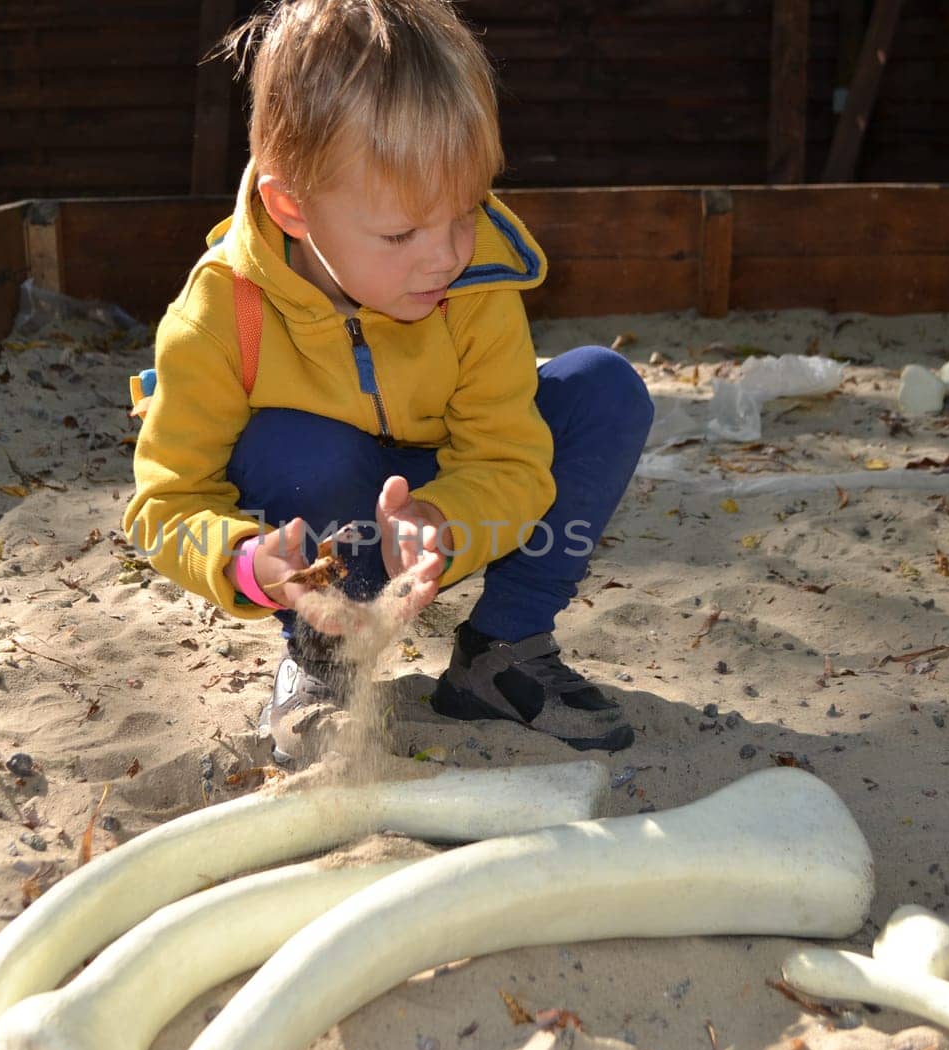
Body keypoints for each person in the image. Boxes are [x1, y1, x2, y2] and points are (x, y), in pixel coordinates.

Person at [123, 0, 653, 757]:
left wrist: (447, 517)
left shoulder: (474, 282)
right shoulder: (220, 313)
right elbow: (167, 502)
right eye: (402, 232)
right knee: (289, 441)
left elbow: (509, 458)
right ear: (291, 207)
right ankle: (324, 660)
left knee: (604, 390)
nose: (444, 257)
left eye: (465, 211)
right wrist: (245, 560)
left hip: (428, 493)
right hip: (323, 520)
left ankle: (501, 651)